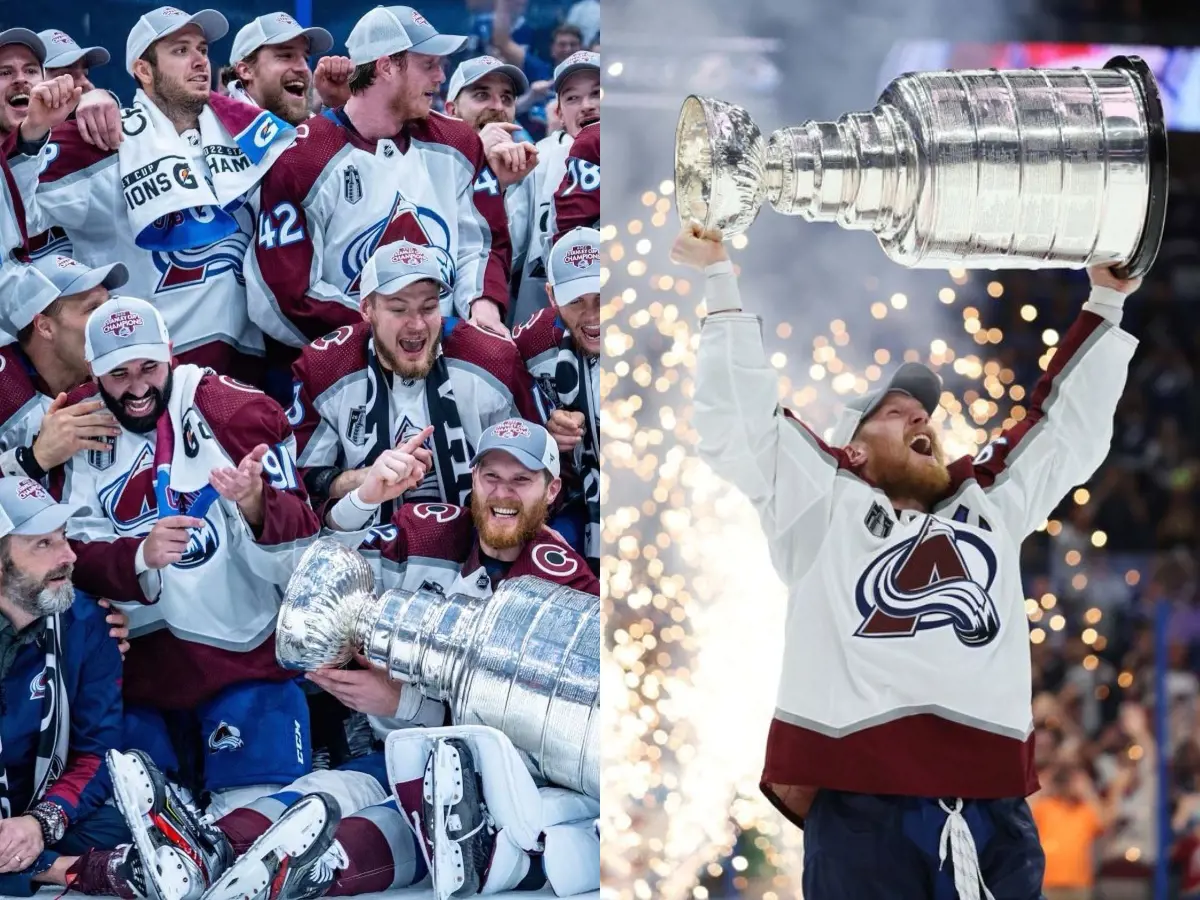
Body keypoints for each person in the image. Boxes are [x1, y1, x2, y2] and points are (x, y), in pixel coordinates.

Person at [674, 218, 1144, 899]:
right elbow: (740, 425)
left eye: (922, 414)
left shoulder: (985, 499)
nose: (922, 419)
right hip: (862, 811)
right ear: (852, 451)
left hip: (994, 812)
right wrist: (718, 276)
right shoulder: (819, 506)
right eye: (897, 412)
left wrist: (1106, 300)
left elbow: (1063, 430)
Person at [91, 419, 597, 900]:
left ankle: (239, 874)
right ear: (473, 480)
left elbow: (540, 740)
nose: (503, 493)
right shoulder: (428, 527)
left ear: (551, 491)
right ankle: (190, 854)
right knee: (315, 799)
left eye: (522, 480)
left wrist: (403, 705)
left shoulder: (569, 591)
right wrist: (364, 498)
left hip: (491, 786)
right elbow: (317, 572)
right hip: (392, 753)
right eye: (492, 477)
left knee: (369, 832)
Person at [49, 296, 322, 818]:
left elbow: (305, 550)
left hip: (243, 662)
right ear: (92, 369)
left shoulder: (234, 411)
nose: (136, 388)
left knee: (258, 822)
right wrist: (138, 557)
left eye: (148, 367)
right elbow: (58, 552)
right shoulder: (74, 426)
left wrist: (255, 504)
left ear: (170, 352)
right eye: (118, 373)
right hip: (139, 680)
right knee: (143, 828)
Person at [10, 6, 298, 385]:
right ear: (144, 71)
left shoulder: (249, 138)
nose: (199, 62)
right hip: (144, 379)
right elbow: (19, 215)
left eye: (202, 50)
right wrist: (33, 134)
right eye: (180, 51)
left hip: (247, 373)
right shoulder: (103, 143)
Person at [244, 4, 516, 357]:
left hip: (445, 355)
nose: (439, 78)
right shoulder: (301, 159)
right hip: (339, 371)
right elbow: (284, 294)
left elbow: (482, 242)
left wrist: (482, 304)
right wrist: (393, 335)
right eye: (428, 64)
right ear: (387, 66)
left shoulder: (458, 143)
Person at [289, 239, 537, 523]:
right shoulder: (324, 368)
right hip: (365, 549)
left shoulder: (493, 360)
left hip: (478, 548)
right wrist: (362, 479)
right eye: (399, 309)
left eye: (428, 307)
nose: (417, 324)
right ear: (366, 309)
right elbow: (298, 483)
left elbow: (542, 471)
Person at [0, 476, 127, 897]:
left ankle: (34, 865)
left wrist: (40, 822)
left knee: (130, 823)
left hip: (35, 808)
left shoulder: (89, 623)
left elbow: (98, 752)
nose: (68, 556)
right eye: (43, 544)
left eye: (64, 537)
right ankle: (60, 872)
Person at [514, 227, 599, 571]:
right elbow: (515, 433)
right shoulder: (529, 345)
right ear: (551, 296)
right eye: (576, 301)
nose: (592, 315)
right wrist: (545, 434)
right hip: (577, 498)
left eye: (601, 296)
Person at [0, 254, 127, 480]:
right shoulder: (5, 390)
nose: (111, 318)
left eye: (109, 304)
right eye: (93, 308)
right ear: (45, 327)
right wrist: (35, 458)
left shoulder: (130, 365)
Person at [510, 50, 599, 325]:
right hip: (543, 335)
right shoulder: (534, 161)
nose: (586, 105)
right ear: (559, 113)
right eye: (573, 98)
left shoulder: (638, 155)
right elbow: (504, 249)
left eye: (597, 93)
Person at [444, 54, 538, 299]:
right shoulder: (421, 161)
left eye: (507, 98)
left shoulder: (529, 173)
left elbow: (511, 260)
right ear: (451, 110)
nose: (497, 107)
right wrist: (475, 158)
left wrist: (500, 187)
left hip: (489, 317)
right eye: (481, 95)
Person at [225, 12, 351, 125]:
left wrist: (337, 107)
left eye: (306, 59)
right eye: (286, 56)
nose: (304, 68)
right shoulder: (212, 134)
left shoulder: (317, 134)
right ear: (246, 71)